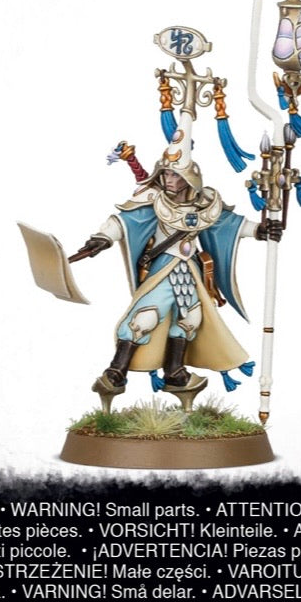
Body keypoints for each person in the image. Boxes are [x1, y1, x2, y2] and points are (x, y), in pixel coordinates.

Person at [73, 143, 281, 411]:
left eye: (175, 175)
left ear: (190, 178)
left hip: (190, 270)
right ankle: (115, 373)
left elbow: (227, 224)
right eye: (166, 174)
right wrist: (102, 238)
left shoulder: (204, 203)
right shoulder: (154, 200)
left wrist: (260, 230)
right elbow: (126, 220)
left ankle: (175, 373)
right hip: (164, 267)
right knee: (144, 318)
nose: (169, 180)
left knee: (190, 320)